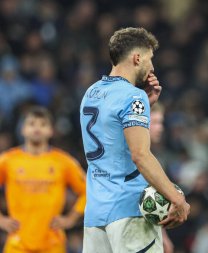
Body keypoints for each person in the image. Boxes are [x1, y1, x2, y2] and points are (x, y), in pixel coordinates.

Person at [80, 27, 190, 253]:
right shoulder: (132, 96)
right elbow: (140, 155)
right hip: (128, 209)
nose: (152, 67)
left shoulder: (91, 92)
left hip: (95, 214)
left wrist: (145, 107)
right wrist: (176, 198)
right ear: (137, 58)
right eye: (150, 59)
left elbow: (111, 133)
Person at [0, 106, 86, 253]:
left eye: (43, 124)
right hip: (17, 244)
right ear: (23, 129)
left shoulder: (63, 162)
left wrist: (70, 219)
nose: (37, 128)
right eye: (32, 123)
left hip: (52, 243)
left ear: (51, 130)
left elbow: (87, 192)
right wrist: (1, 220)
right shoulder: (8, 161)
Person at [149, 102, 174, 253]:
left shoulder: (154, 158)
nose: (161, 128)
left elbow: (150, 203)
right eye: (156, 122)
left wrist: (163, 235)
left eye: (161, 122)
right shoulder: (138, 158)